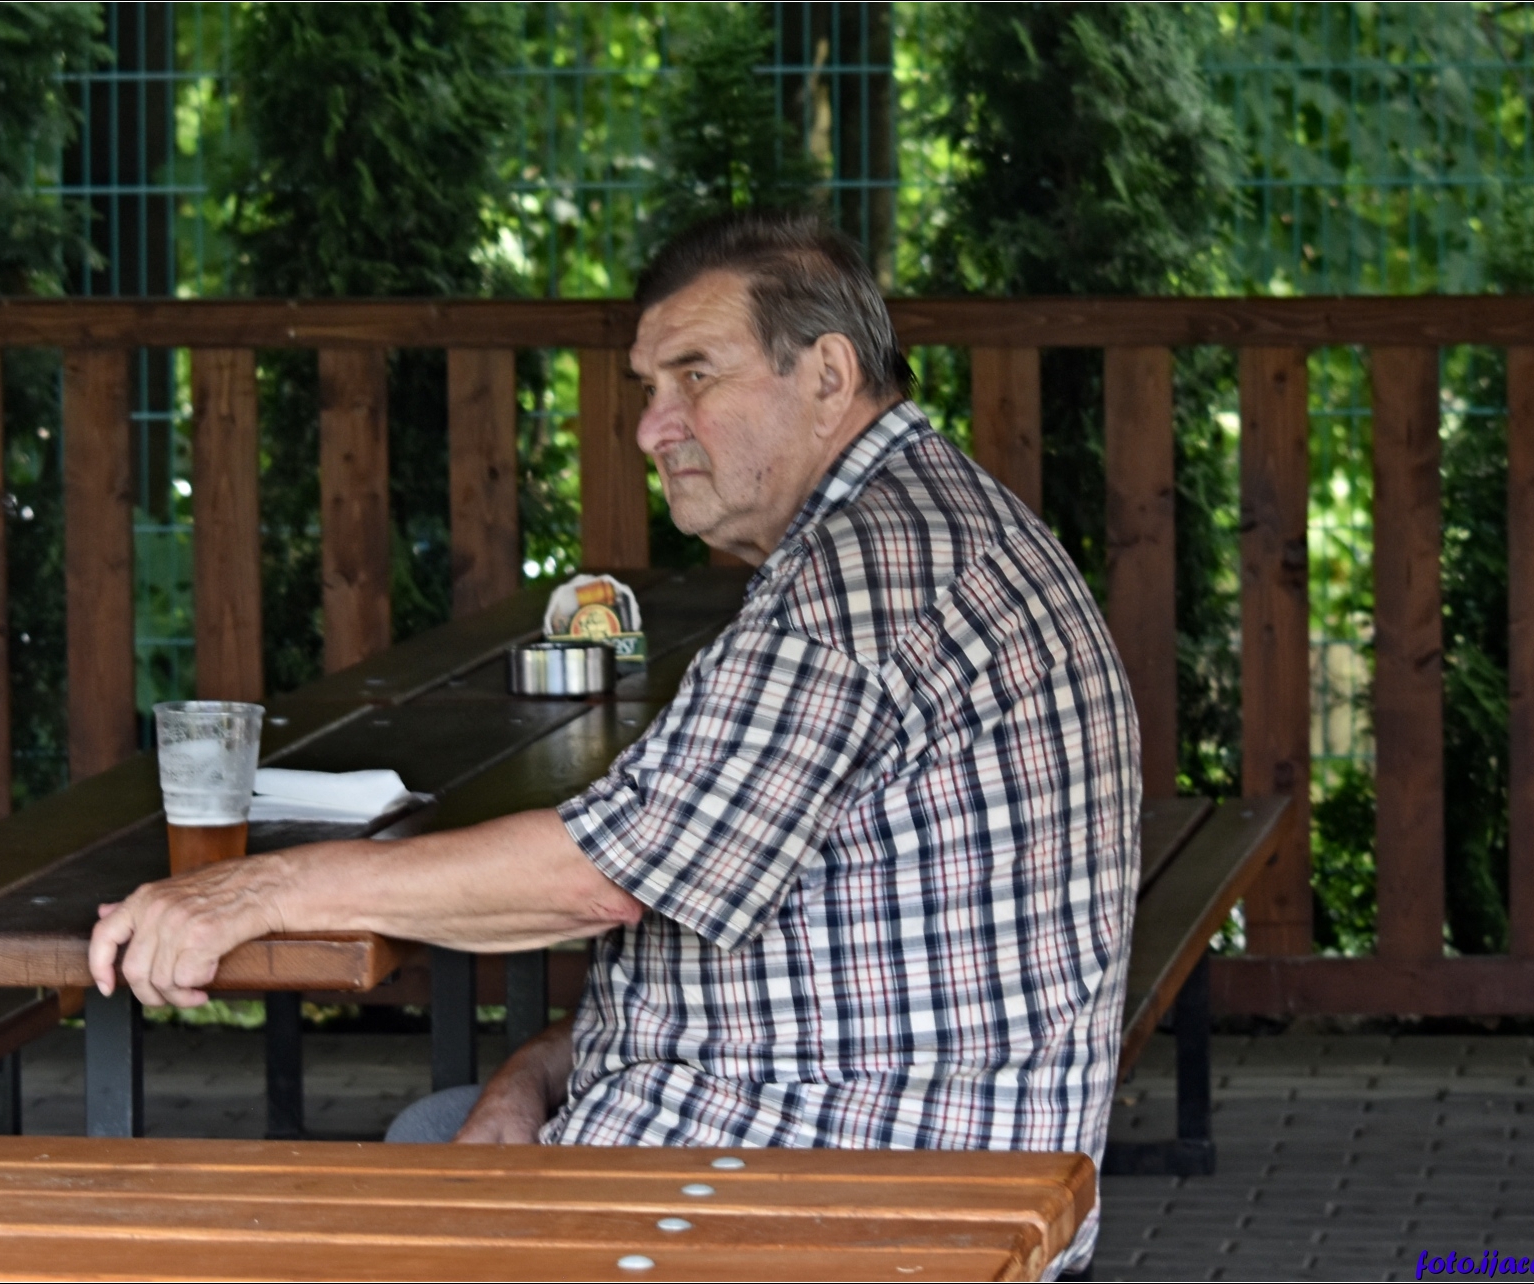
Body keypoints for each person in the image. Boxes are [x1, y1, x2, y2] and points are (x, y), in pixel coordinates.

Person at [87, 210, 1140, 1277]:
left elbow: (597, 881)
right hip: (862, 1145)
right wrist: (533, 1078)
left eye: (695, 376)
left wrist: (258, 892)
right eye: (648, 387)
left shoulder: (866, 577)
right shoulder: (916, 523)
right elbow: (715, 928)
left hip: (840, 1199)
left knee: (260, 1235)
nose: (651, 429)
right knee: (438, 1132)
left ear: (828, 375)